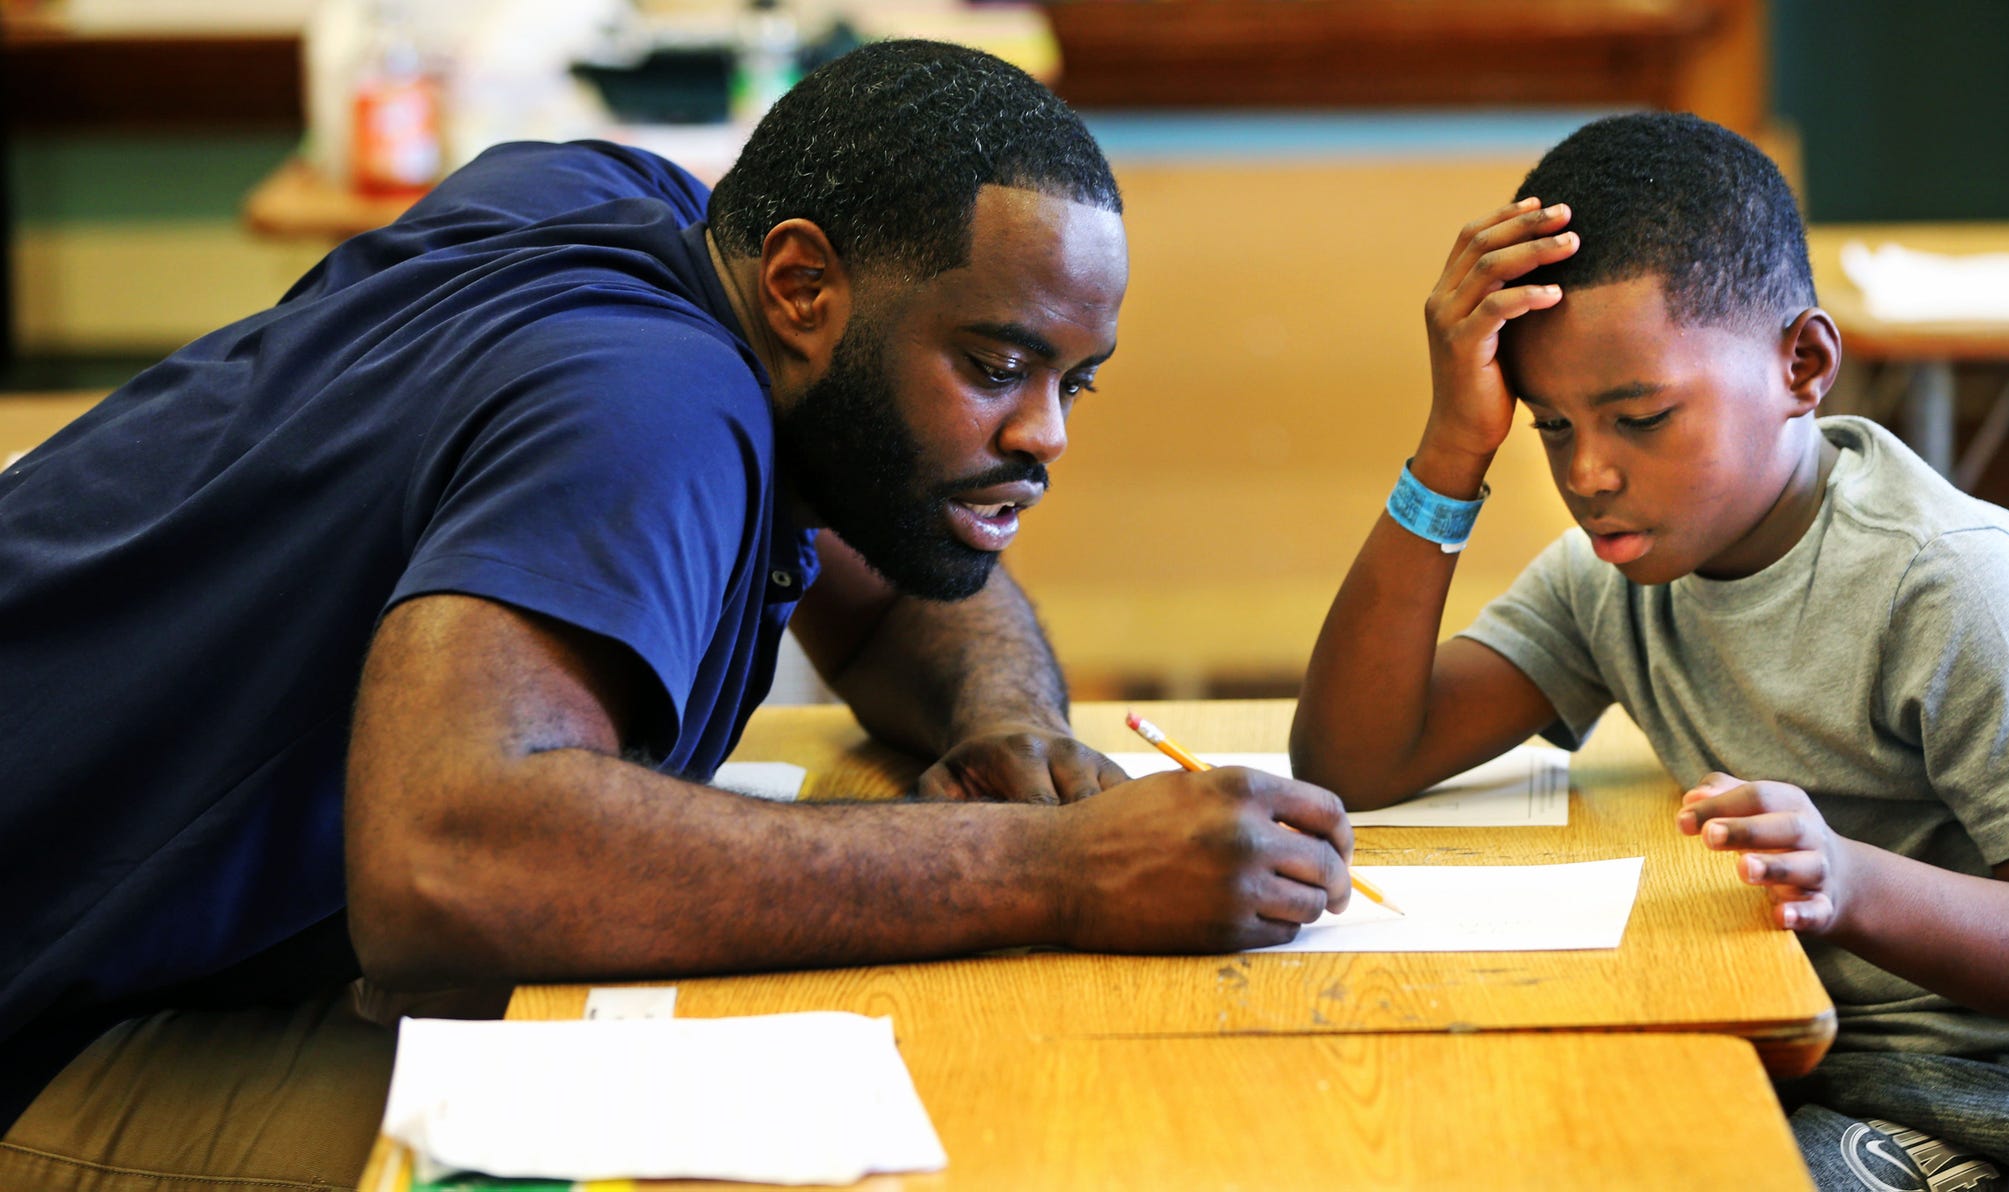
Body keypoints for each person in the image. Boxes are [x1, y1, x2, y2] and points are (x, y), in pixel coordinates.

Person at [0, 40, 1353, 1190]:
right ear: (804, 287)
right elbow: (451, 862)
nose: (1046, 434)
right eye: (998, 366)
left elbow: (881, 592)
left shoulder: (617, 204)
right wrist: (1059, 872)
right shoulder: (648, 407)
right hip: (57, 1040)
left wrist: (1008, 715)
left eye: (1077, 382)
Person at [1290, 111, 2009, 1189]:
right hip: (1755, 1043)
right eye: (1550, 426)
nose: (1589, 473)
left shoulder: (1956, 584)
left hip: (1975, 1111)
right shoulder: (1617, 574)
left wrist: (1848, 879)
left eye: (1641, 417)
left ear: (1803, 363)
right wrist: (1452, 445)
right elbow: (1355, 756)